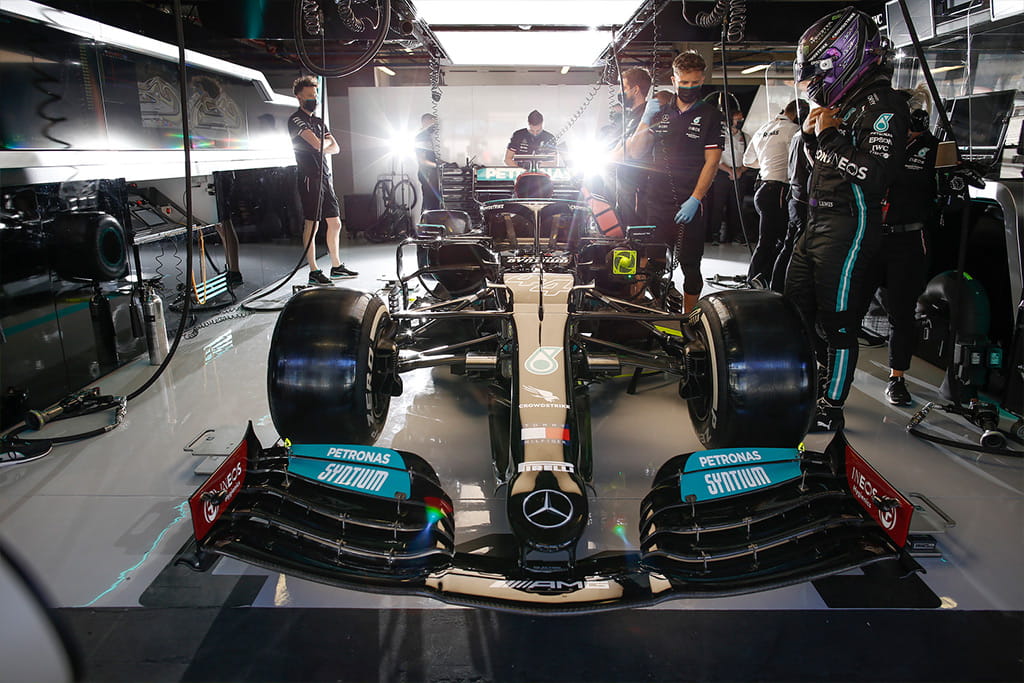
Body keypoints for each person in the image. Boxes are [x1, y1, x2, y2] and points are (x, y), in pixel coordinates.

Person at [785, 7, 908, 432]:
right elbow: (820, 160)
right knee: (796, 302)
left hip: (851, 224)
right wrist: (809, 136)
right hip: (815, 221)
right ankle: (811, 380)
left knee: (839, 318)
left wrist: (830, 137)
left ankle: (832, 404)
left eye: (820, 69)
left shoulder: (886, 105)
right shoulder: (842, 102)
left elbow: (875, 177)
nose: (814, 81)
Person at [627, 51, 725, 314]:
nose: (690, 88)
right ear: (674, 80)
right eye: (685, 82)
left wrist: (696, 198)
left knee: (690, 265)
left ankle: (688, 321)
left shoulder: (711, 115)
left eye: (695, 83)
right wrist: (645, 120)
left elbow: (712, 162)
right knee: (648, 261)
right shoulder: (659, 112)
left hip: (690, 201)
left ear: (702, 79)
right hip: (655, 200)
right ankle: (639, 316)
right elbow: (635, 152)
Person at [879, 100, 939, 405]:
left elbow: (928, 185)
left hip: (908, 239)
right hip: (871, 236)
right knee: (847, 306)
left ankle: (897, 377)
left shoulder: (932, 148)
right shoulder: (879, 142)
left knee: (901, 314)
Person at [287, 75, 357, 285]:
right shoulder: (296, 120)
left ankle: (336, 266)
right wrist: (323, 144)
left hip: (325, 177)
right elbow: (319, 145)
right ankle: (314, 270)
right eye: (309, 95)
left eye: (315, 94)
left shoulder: (318, 121)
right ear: (299, 96)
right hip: (310, 178)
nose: (313, 98)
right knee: (313, 224)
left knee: (335, 223)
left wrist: (322, 144)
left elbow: (335, 148)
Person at [743, 99, 803, 289]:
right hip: (779, 190)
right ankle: (758, 280)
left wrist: (769, 165)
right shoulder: (793, 129)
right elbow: (796, 161)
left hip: (762, 189)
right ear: (798, 114)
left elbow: (747, 161)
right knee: (777, 240)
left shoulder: (764, 128)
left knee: (769, 239)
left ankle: (761, 278)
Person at [770, 100, 812, 290]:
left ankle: (776, 286)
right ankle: (787, 291)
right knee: (798, 250)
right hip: (802, 199)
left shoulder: (796, 135)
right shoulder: (805, 138)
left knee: (788, 246)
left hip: (793, 196)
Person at [706, 95, 754, 245]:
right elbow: (715, 157)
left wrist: (740, 170)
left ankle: (736, 235)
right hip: (721, 173)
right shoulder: (720, 134)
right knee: (717, 206)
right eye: (737, 119)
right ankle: (714, 235)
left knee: (737, 207)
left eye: (741, 119)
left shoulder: (745, 136)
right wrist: (729, 170)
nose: (740, 122)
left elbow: (752, 156)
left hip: (740, 174)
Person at [610, 67, 654, 226]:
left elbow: (631, 152)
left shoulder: (647, 117)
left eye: (624, 88)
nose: (620, 92)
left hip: (639, 190)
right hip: (626, 188)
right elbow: (619, 148)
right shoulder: (631, 117)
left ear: (636, 90)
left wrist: (611, 156)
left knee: (636, 238)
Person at [415, 113, 443, 213]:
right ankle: (427, 226)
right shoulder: (420, 137)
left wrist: (445, 163)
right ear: (425, 122)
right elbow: (422, 161)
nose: (435, 126)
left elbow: (431, 156)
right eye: (433, 123)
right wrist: (437, 166)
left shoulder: (427, 137)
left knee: (433, 202)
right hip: (426, 174)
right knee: (430, 204)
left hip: (431, 175)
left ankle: (431, 224)